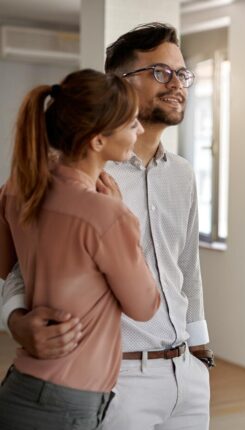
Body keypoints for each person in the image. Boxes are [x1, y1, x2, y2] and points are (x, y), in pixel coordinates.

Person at [1, 23, 212, 430]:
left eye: (182, 74)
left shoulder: (183, 174)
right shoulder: (69, 173)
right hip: (115, 378)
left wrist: (200, 352)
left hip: (186, 373)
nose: (177, 84)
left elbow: (186, 267)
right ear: (118, 83)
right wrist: (14, 318)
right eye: (160, 72)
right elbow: (22, 259)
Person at [0, 69, 161, 430]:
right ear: (97, 140)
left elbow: (7, 268)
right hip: (66, 404)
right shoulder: (108, 214)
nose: (139, 131)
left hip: (21, 388)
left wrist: (13, 319)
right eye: (131, 123)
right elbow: (145, 305)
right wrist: (125, 220)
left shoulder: (15, 190)